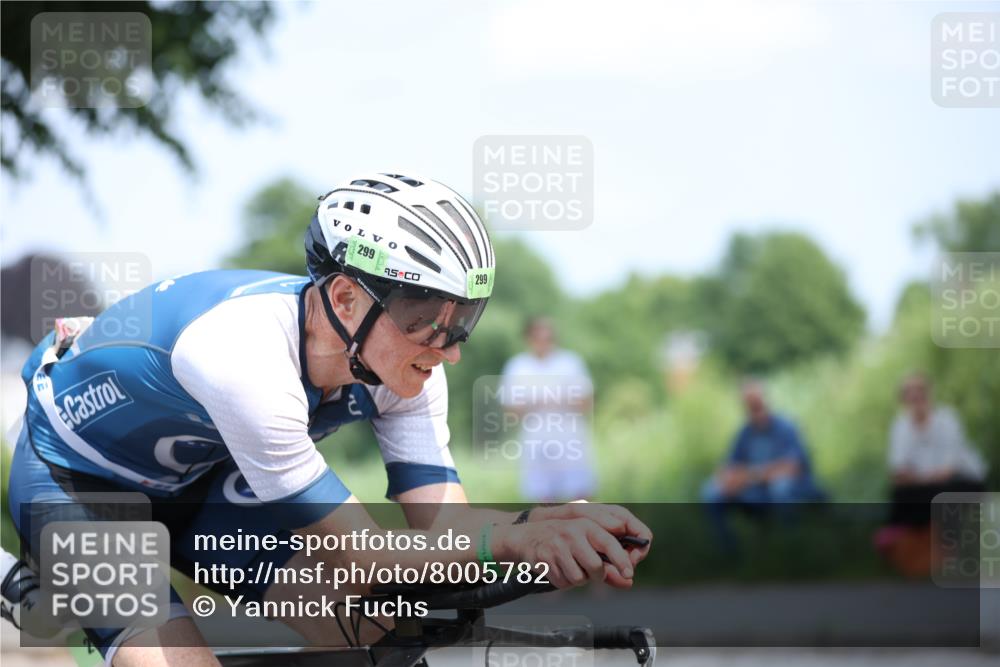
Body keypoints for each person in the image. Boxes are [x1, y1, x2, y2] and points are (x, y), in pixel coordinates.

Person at [1, 173, 651, 667]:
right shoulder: (243, 357)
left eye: (463, 321)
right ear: (345, 296)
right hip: (77, 482)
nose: (449, 347)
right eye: (427, 319)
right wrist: (515, 539)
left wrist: (549, 525)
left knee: (378, 632)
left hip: (199, 482)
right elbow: (365, 554)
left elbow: (446, 530)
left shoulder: (407, 365)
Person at [701, 380, 825, 551]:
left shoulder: (786, 428)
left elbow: (791, 468)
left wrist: (750, 475)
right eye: (750, 406)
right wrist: (731, 479)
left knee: (781, 486)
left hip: (795, 489)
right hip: (757, 491)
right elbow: (728, 468)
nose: (755, 409)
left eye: (757, 404)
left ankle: (792, 549)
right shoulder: (745, 433)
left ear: (766, 401)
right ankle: (729, 552)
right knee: (711, 491)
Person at [500, 317, 596, 503]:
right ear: (528, 338)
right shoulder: (517, 367)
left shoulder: (571, 362)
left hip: (571, 440)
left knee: (581, 497)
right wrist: (535, 401)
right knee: (544, 502)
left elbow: (587, 402)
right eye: (538, 336)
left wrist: (558, 397)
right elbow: (510, 411)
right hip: (536, 442)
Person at [883, 372, 986, 527]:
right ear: (903, 399)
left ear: (928, 393)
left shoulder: (947, 418)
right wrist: (920, 479)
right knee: (901, 495)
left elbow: (947, 471)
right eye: (909, 393)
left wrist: (917, 478)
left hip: (962, 482)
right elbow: (898, 473)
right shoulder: (900, 425)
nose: (915, 396)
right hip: (927, 487)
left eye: (919, 391)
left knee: (939, 494)